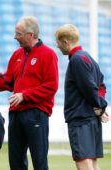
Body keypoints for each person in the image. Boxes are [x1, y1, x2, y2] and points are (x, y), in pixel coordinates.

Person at [0, 16, 58, 170]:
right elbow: (9, 82)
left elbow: (52, 86)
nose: (14, 37)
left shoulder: (48, 54)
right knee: (16, 162)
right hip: (16, 114)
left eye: (18, 34)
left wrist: (25, 95)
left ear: (30, 35)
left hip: (36, 113)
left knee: (39, 161)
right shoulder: (17, 55)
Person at [55, 24, 109, 170]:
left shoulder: (77, 60)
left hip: (81, 120)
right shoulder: (89, 58)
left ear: (65, 41)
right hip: (91, 119)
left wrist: (100, 106)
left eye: (58, 42)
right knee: (91, 162)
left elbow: (91, 89)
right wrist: (99, 107)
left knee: (83, 162)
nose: (57, 46)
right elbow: (101, 85)